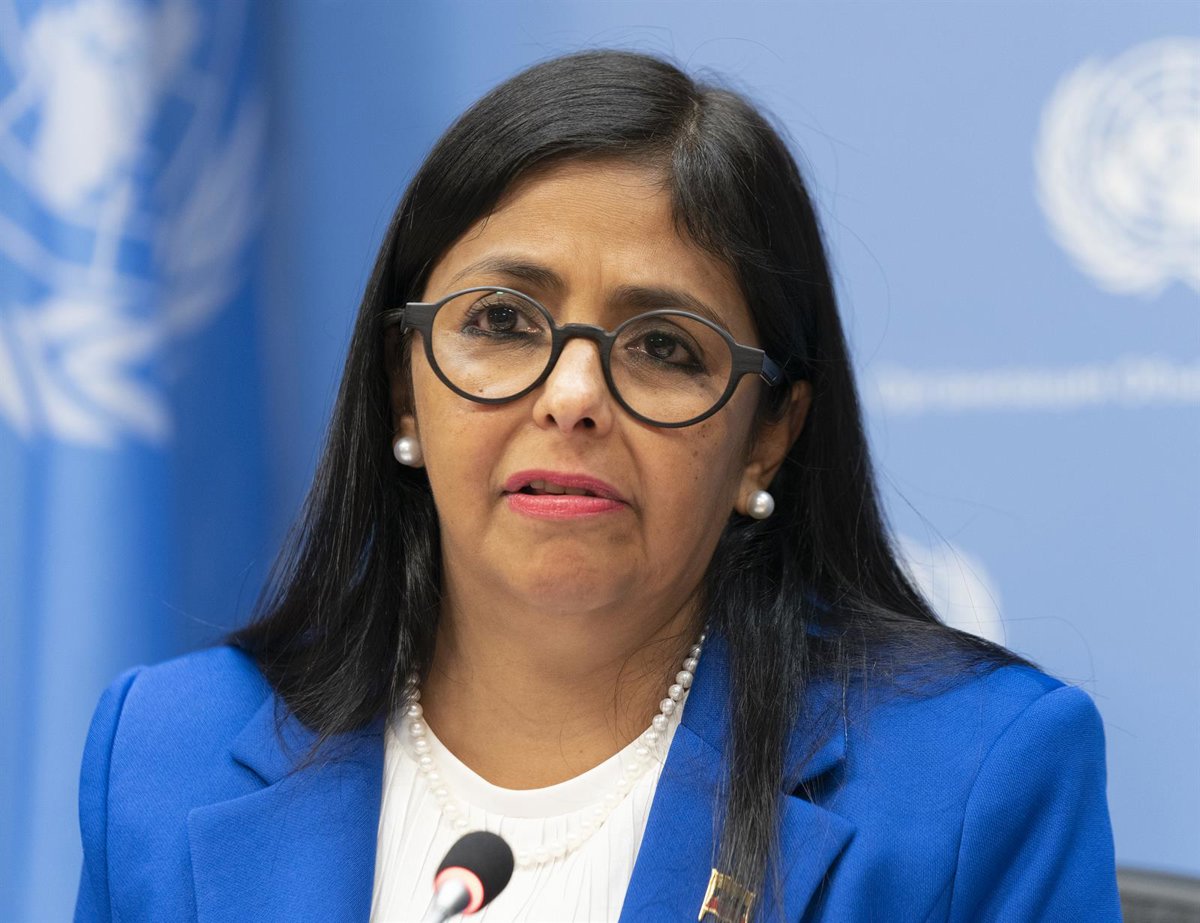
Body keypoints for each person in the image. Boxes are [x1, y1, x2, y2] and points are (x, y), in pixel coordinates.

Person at [74, 50, 1121, 922]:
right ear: (404, 390)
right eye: (500, 322)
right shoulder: (164, 754)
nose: (573, 396)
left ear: (767, 436)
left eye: (664, 345)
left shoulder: (973, 780)